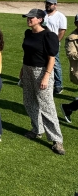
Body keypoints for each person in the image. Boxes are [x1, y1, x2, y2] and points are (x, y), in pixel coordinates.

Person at [19, 8, 65, 155]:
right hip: (27, 69)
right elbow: (27, 54)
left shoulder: (49, 35)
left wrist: (46, 76)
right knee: (29, 101)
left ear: (40, 19)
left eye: (31, 17)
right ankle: (37, 129)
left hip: (42, 71)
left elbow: (52, 58)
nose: (28, 19)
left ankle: (57, 140)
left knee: (46, 105)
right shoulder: (28, 33)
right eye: (28, 17)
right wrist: (22, 70)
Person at [43, 0, 67, 95]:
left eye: (50, 4)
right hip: (42, 42)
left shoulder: (60, 16)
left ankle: (58, 85)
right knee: (42, 62)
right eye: (47, 3)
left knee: (55, 63)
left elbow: (62, 30)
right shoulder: (42, 14)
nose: (48, 5)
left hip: (53, 43)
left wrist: (56, 42)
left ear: (55, 5)